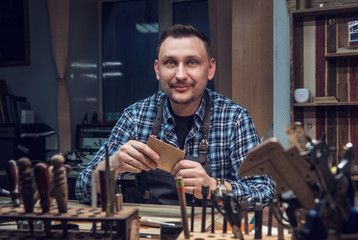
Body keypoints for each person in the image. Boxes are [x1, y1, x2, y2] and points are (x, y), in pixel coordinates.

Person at [75, 24, 275, 207]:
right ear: (157, 70)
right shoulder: (135, 116)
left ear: (210, 68)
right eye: (170, 62)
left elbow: (264, 193)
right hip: (151, 228)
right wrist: (111, 166)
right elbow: (82, 191)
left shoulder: (234, 118)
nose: (180, 75)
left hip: (211, 230)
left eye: (192, 62)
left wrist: (213, 186)